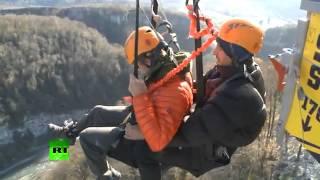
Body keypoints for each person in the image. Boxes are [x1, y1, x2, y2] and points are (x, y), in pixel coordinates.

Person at [48, 26, 193, 180]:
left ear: (150, 58)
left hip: (145, 141)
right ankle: (65, 140)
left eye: (137, 64)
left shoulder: (175, 91)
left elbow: (158, 140)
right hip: (143, 117)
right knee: (97, 112)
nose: (137, 68)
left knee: (87, 138)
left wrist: (140, 96)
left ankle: (108, 177)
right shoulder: (167, 69)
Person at [127, 18, 267, 177]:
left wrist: (144, 132)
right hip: (206, 135)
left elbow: (191, 133)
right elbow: (200, 89)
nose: (214, 52)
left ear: (235, 53)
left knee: (144, 150)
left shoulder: (238, 96)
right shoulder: (234, 70)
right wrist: (174, 87)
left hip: (205, 154)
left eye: (220, 48)